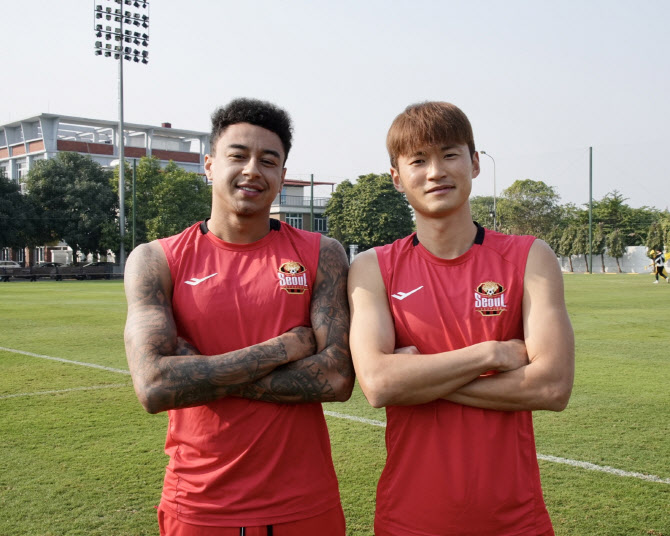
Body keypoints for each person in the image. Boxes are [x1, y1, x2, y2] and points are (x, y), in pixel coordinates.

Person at [124, 98, 354, 536]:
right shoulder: (156, 260)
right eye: (238, 156)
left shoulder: (322, 253)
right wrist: (282, 349)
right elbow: (155, 386)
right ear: (210, 165)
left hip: (304, 504)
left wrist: (197, 373)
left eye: (268, 161)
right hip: (199, 504)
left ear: (282, 175)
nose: (252, 170)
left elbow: (336, 379)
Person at [348, 101, 575, 536]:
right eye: (418, 160)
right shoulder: (373, 268)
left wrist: (417, 378)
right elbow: (378, 385)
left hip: (515, 521)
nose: (436, 172)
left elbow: (552, 386)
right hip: (409, 521)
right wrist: (490, 354)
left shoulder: (529, 257)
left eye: (450, 154)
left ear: (474, 163)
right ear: (397, 177)